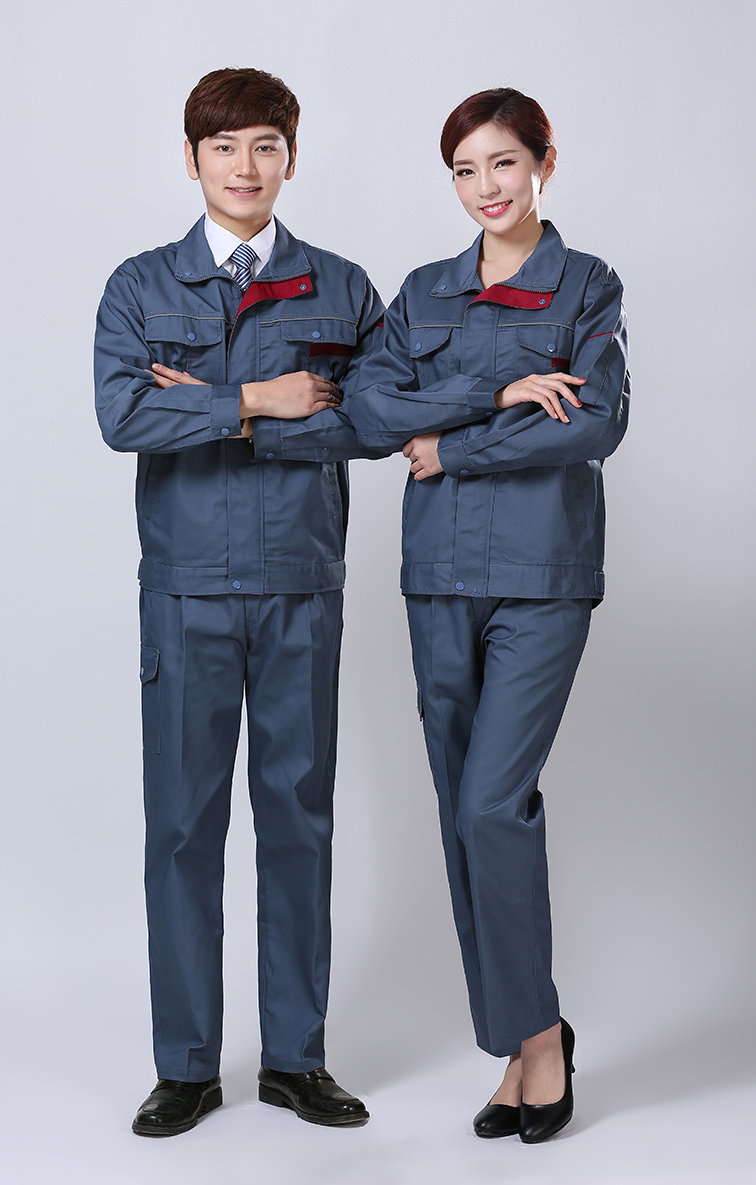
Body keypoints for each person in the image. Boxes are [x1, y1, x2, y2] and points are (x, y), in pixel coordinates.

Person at [94, 67, 386, 1138]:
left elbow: (372, 420)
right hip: (185, 593)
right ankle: (185, 1066)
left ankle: (295, 1059)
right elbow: (123, 417)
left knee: (298, 822)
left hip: (301, 586)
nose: (245, 166)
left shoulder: (340, 288)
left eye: (265, 144)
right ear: (191, 159)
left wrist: (211, 410)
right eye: (223, 147)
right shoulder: (140, 287)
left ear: (290, 158)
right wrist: (260, 399)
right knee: (182, 828)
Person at [338, 88, 630, 1143]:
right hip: (437, 579)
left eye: (503, 163)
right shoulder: (423, 292)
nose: (485, 188)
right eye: (464, 171)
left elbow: (592, 422)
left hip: (541, 576)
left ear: (545, 160)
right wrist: (497, 393)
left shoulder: (585, 284)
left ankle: (538, 1039)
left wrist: (452, 445)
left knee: (490, 806)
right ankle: (520, 1041)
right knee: (459, 813)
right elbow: (368, 412)